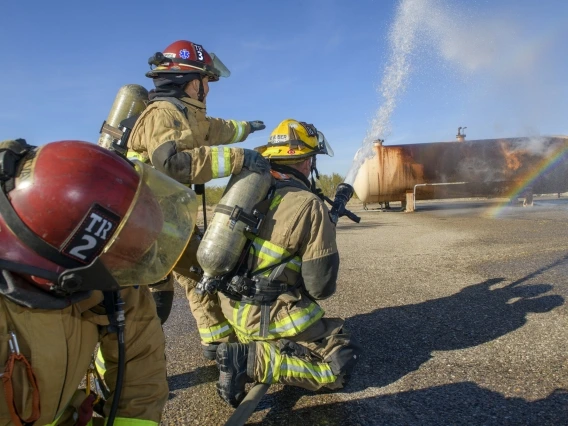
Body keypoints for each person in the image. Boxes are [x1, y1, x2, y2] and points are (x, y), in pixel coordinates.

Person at [0, 139, 198, 425]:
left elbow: (140, 354)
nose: (131, 266)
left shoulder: (111, 272)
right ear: (66, 269)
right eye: (120, 254)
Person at [127, 40, 269, 359]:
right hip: (145, 222)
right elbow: (173, 163)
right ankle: (116, 368)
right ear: (193, 83)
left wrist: (247, 128)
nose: (209, 88)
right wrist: (239, 159)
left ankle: (217, 342)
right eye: (207, 81)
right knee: (155, 299)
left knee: (198, 276)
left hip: (165, 217)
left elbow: (216, 129)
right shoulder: (163, 114)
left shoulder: (186, 114)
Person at [213, 119, 361, 407]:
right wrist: (324, 233)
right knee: (341, 358)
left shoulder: (251, 189)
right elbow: (320, 288)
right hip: (266, 318)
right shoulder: (309, 204)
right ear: (306, 162)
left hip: (232, 309)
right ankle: (250, 361)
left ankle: (247, 350)